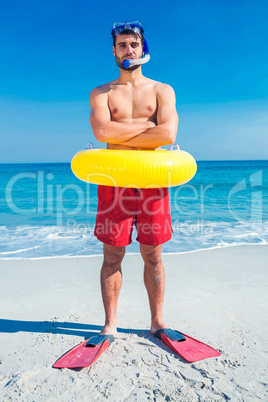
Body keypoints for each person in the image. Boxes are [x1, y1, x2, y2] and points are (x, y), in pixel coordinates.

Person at [89, 21, 178, 337]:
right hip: (114, 183)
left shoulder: (161, 90)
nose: (128, 50)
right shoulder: (101, 93)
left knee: (153, 254)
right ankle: (110, 324)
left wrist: (120, 134)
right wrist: (146, 130)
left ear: (143, 49)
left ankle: (157, 321)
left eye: (134, 44)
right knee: (112, 254)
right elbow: (101, 132)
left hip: (152, 182)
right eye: (122, 45)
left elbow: (168, 134)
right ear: (113, 51)